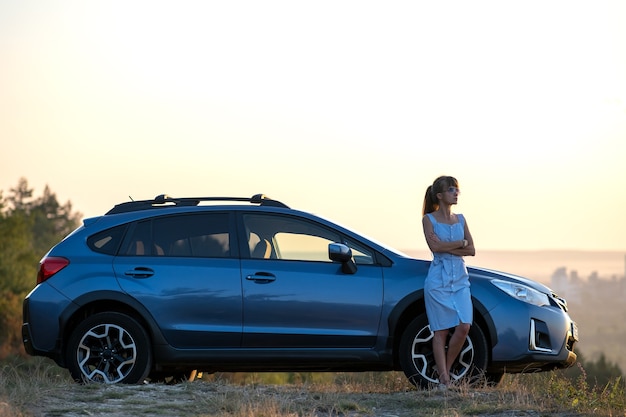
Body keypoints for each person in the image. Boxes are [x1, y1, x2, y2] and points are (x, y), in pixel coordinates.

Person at [422, 175, 475, 389]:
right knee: (441, 331)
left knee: (464, 326)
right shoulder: (429, 219)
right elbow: (435, 249)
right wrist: (458, 243)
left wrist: (448, 245)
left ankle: (445, 368)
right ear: (440, 195)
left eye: (457, 190)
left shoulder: (461, 219)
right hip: (438, 281)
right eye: (451, 190)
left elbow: (471, 249)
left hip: (460, 281)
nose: (456, 193)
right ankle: (444, 380)